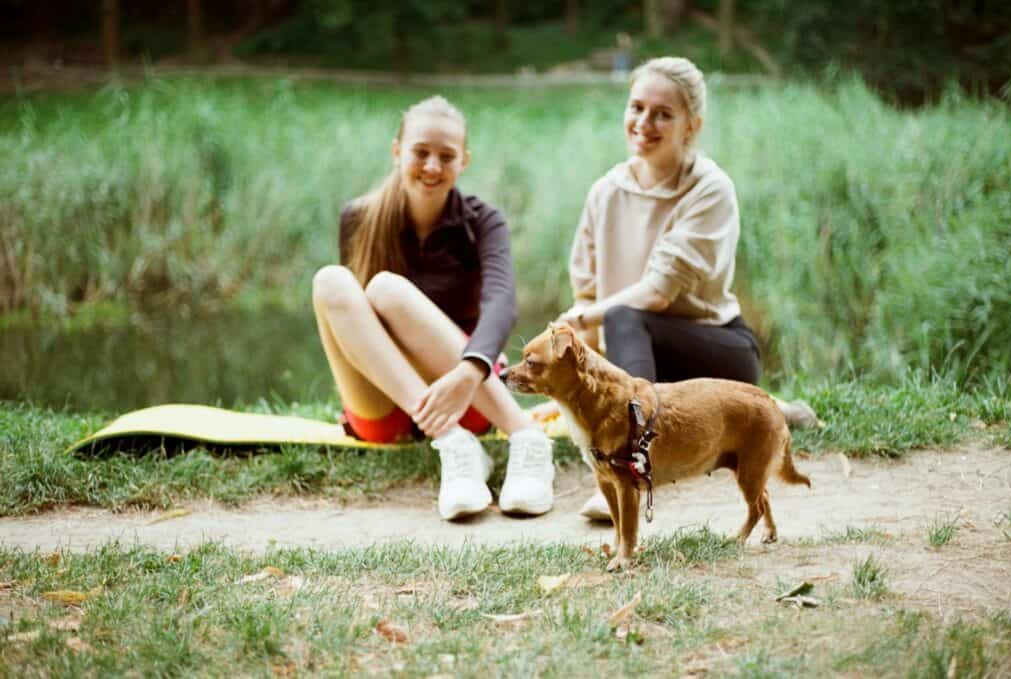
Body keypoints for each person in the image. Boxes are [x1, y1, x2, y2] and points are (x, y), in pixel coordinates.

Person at [554, 57, 818, 520]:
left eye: (663, 114)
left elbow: (656, 293)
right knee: (615, 324)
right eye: (636, 107)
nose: (644, 123)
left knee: (622, 316)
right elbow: (587, 293)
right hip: (634, 359)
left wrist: (580, 321)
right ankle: (773, 411)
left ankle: (631, 468)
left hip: (716, 348)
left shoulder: (710, 189)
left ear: (691, 125)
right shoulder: (605, 192)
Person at [311, 95, 554, 521]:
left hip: (466, 397)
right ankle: (455, 445)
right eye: (420, 152)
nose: (432, 166)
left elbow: (502, 299)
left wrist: (469, 369)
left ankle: (527, 439)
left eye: (446, 156)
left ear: (464, 161)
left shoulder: (483, 221)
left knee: (386, 289)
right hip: (386, 409)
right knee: (331, 281)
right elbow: (353, 324)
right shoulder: (358, 217)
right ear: (397, 151)